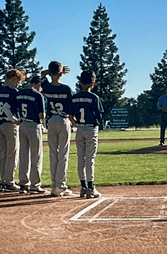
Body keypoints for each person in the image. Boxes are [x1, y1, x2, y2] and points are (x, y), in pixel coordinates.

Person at [42, 62, 74, 197]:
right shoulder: (66, 89)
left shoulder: (46, 86)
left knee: (53, 154)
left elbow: (42, 75)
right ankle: (60, 185)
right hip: (63, 120)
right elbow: (71, 109)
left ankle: (54, 184)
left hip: (51, 121)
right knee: (63, 154)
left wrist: (50, 72)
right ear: (61, 73)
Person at [71, 71, 103, 198]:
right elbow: (99, 115)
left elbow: (70, 114)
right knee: (90, 159)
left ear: (80, 82)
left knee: (81, 158)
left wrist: (75, 123)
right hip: (90, 128)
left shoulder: (75, 97)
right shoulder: (94, 97)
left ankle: (83, 187)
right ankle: (90, 187)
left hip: (79, 128)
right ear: (92, 83)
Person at [16, 75, 47, 194]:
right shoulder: (38, 95)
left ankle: (23, 183)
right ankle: (35, 184)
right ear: (38, 84)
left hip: (22, 124)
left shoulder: (20, 93)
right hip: (34, 125)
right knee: (36, 156)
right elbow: (41, 115)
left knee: (24, 156)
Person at [0, 69, 24, 192]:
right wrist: (15, 120)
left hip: (0, 124)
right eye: (18, 82)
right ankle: (9, 181)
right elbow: (8, 108)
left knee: (3, 155)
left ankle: (3, 179)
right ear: (14, 79)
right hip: (10, 124)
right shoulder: (14, 92)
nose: (18, 85)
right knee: (12, 154)